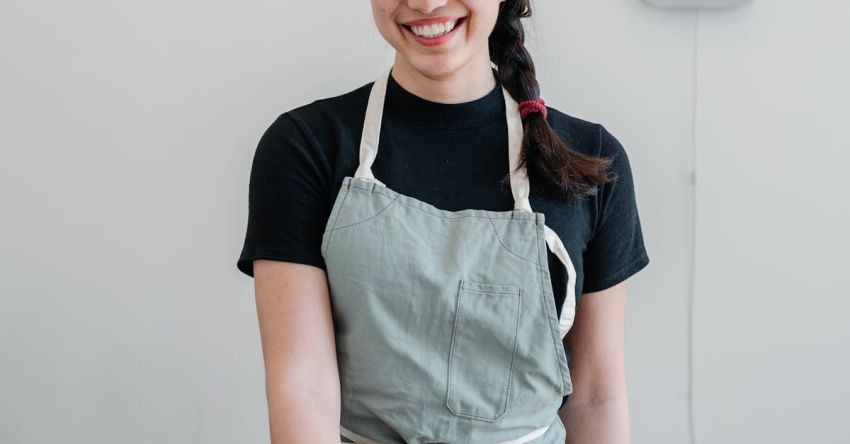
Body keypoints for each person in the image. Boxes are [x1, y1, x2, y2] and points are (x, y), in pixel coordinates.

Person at [236, 0, 650, 442]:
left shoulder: (591, 162)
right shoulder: (303, 149)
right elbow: (304, 385)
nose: (425, 3)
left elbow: (595, 398)